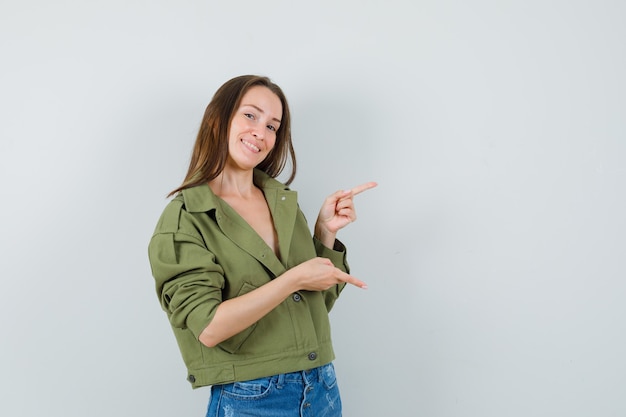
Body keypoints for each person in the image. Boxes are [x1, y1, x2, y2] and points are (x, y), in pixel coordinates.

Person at [148, 74, 376, 417]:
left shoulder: (280, 201)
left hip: (322, 387)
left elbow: (308, 308)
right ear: (218, 119)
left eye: (273, 126)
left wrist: (324, 233)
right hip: (253, 398)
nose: (261, 132)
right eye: (251, 116)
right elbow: (209, 328)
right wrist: (294, 279)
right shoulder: (186, 218)